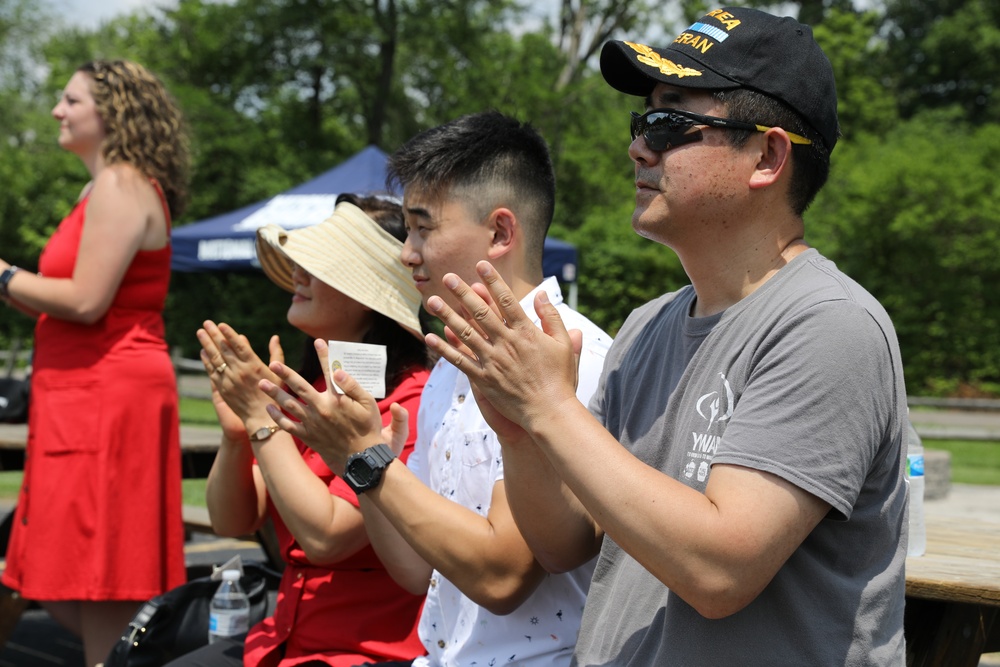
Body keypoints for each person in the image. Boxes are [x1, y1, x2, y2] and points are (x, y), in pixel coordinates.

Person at [420, 8, 909, 666]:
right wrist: (521, 435)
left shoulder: (829, 324)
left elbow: (719, 572)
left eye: (669, 123)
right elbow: (566, 543)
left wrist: (549, 407)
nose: (638, 147)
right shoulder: (647, 327)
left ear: (767, 156)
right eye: (640, 121)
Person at [259, 111, 612, 666]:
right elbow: (411, 569)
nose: (407, 252)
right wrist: (357, 454)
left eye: (424, 228)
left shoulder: (575, 356)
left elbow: (502, 577)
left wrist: (365, 457)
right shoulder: (450, 362)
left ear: (500, 233)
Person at [168, 196, 430, 667]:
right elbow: (233, 521)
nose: (298, 273)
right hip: (281, 641)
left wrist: (259, 420)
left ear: (371, 293)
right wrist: (236, 435)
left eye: (321, 265)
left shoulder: (412, 401)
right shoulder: (308, 390)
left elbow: (327, 537)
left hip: (365, 653)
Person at [0, 60, 190, 666]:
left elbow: (85, 300)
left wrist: (3, 275)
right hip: (83, 394)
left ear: (111, 112)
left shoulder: (120, 184)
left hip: (106, 397)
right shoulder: (105, 186)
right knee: (59, 571)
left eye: (69, 100)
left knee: (99, 571)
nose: (57, 110)